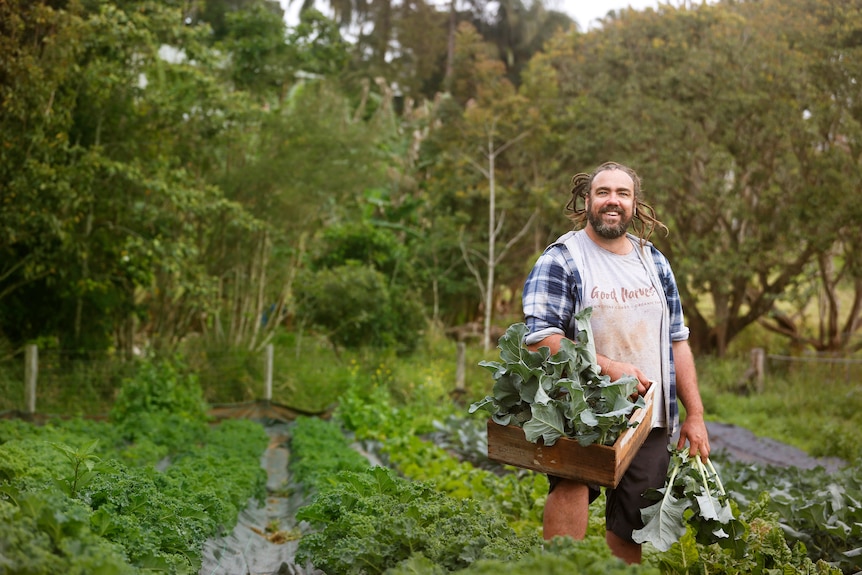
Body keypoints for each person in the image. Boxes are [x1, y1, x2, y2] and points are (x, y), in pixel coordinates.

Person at [521, 161, 710, 564]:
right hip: (579, 410)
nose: (613, 201)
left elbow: (678, 340)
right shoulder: (564, 258)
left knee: (632, 523)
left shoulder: (653, 261)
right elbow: (540, 340)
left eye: (622, 194)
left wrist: (695, 414)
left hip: (648, 417)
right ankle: (559, 571)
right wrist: (609, 368)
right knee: (571, 489)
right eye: (603, 192)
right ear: (587, 200)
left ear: (634, 203)